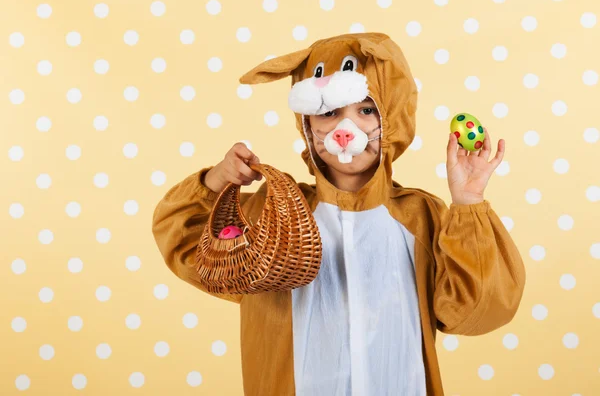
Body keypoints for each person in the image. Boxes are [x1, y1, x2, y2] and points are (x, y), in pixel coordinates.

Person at [152, 32, 526, 396]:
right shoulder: (274, 211)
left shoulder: (419, 216)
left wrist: (468, 201)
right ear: (307, 123)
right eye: (329, 112)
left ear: (393, 115)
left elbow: (474, 311)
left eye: (366, 110)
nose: (346, 130)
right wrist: (217, 181)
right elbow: (189, 245)